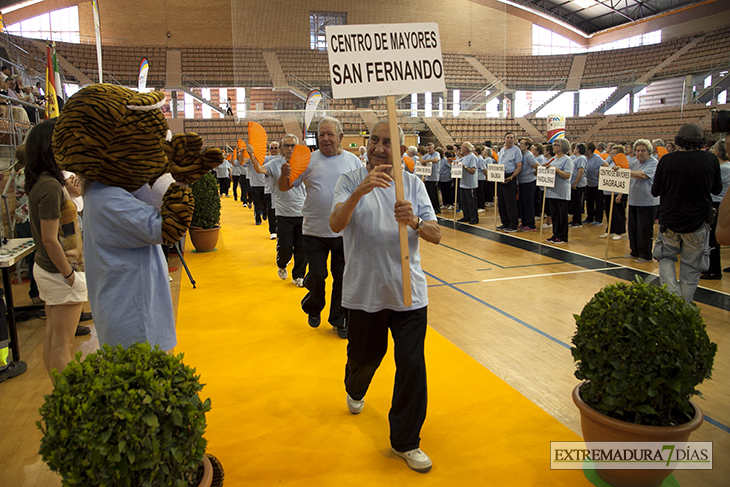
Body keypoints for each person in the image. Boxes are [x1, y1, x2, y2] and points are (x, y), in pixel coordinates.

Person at [329, 121, 440, 473]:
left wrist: (417, 223)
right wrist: (359, 192)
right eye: (374, 140)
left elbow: (436, 234)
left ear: (401, 148)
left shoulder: (414, 186)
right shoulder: (349, 181)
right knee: (365, 357)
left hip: (409, 293)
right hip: (365, 292)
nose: (379, 147)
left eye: (387, 142)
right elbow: (335, 224)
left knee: (411, 365)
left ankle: (406, 440)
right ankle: (355, 386)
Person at [279, 116, 360, 338]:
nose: (325, 138)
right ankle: (314, 305)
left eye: (329, 134)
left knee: (342, 277)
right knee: (317, 274)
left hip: (344, 232)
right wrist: (284, 176)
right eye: (321, 134)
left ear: (340, 137)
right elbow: (285, 187)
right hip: (314, 231)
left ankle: (339, 318)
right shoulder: (307, 160)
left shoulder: (354, 162)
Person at [25, 119, 88, 380]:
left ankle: (60, 396)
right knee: (63, 343)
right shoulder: (50, 187)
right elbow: (51, 239)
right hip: (60, 269)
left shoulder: (45, 181)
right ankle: (69, 399)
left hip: (50, 269)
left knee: (53, 338)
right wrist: (70, 276)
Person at [652, 124, 722, 303]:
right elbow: (717, 189)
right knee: (691, 266)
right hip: (698, 220)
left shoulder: (667, 160)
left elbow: (655, 191)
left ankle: (672, 299)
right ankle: (683, 305)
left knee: (665, 258)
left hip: (669, 218)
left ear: (678, 140)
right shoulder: (710, 159)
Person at [257, 135, 308, 285]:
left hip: (303, 212)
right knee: (285, 246)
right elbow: (260, 169)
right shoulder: (275, 164)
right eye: (286, 145)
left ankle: (299, 276)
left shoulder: (305, 164)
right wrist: (253, 156)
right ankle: (282, 263)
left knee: (301, 247)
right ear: (281, 148)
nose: (290, 149)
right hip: (283, 212)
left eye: (293, 145)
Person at [626, 140, 660, 263]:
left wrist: (625, 172)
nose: (640, 153)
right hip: (634, 200)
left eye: (643, 150)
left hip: (647, 202)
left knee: (644, 230)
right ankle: (634, 251)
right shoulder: (634, 163)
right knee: (633, 228)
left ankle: (645, 254)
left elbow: (642, 175)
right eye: (638, 150)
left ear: (649, 152)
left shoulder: (653, 163)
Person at [702, 139, 730, 279]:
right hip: (719, 203)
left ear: (718, 152)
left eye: (713, 150)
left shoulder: (724, 168)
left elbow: (712, 187)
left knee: (713, 239)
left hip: (718, 204)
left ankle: (714, 270)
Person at [545, 138, 573, 244]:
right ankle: (555, 234)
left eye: (555, 145)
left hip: (561, 192)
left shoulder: (567, 160)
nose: (553, 146)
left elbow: (567, 175)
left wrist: (555, 170)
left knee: (562, 216)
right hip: (552, 191)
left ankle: (563, 236)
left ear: (561, 147)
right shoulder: (554, 159)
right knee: (555, 214)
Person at [496, 132, 522, 232]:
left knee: (510, 202)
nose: (509, 139)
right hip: (500, 175)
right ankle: (505, 222)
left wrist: (511, 177)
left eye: (511, 138)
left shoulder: (516, 151)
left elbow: (519, 166)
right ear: (504, 139)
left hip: (510, 176)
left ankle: (513, 224)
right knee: (501, 201)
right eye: (508, 137)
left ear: (514, 140)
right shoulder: (502, 150)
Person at [583, 142, 607, 225]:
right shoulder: (585, 158)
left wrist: (600, 173)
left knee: (598, 202)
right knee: (589, 201)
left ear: (589, 150)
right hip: (588, 183)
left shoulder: (597, 158)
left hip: (597, 184)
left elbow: (606, 165)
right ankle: (589, 217)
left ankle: (598, 219)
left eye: (585, 149)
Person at [517, 137, 538, 231]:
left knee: (528, 203)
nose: (520, 145)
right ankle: (524, 222)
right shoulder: (521, 154)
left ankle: (531, 224)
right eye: (520, 143)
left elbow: (537, 166)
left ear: (527, 146)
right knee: (522, 203)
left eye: (522, 143)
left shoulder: (529, 155)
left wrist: (535, 175)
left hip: (529, 182)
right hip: (522, 181)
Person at [457, 142, 479, 224]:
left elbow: (473, 170)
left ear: (466, 149)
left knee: (471, 202)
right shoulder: (463, 157)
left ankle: (474, 218)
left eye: (462, 148)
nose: (460, 149)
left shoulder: (472, 157)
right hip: (463, 182)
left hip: (470, 184)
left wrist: (464, 167)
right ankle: (466, 216)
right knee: (464, 201)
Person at [569, 143, 587, 228]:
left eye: (575, 148)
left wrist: (576, 183)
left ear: (578, 150)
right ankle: (574, 219)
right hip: (574, 183)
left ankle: (577, 221)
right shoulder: (577, 158)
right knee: (574, 202)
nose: (574, 150)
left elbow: (581, 171)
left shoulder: (581, 158)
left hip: (579, 184)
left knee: (577, 203)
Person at [421, 143, 440, 215]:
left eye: (430, 148)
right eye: (427, 149)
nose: (428, 150)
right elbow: (421, 159)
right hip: (427, 177)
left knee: (434, 194)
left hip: (434, 177)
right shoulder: (427, 155)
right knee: (428, 194)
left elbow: (435, 160)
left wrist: (425, 161)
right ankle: (431, 208)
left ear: (433, 148)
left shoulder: (436, 154)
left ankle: (437, 208)